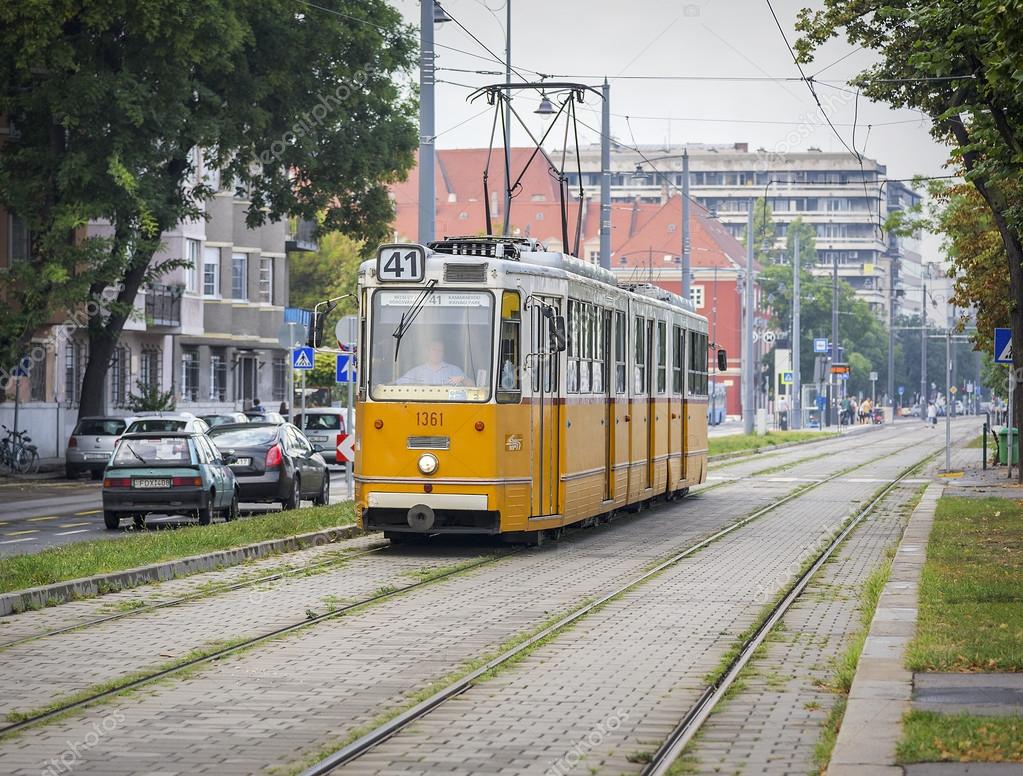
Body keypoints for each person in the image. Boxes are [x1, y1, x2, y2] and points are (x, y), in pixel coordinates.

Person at [396, 340, 471, 386]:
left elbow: (473, 386)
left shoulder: (454, 370)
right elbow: (396, 384)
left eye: (440, 350)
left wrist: (462, 379)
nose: (436, 353)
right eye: (434, 350)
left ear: (443, 353)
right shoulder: (416, 371)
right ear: (427, 352)